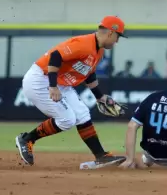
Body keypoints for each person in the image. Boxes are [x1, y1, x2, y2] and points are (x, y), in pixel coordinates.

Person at [15, 16, 127, 168]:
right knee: (67, 119)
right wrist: (52, 86)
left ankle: (101, 156)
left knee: (82, 114)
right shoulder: (84, 44)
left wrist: (99, 96)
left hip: (60, 82)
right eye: (117, 36)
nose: (117, 41)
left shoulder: (98, 51)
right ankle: (28, 139)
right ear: (110, 33)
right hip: (40, 79)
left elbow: (89, 73)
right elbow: (55, 56)